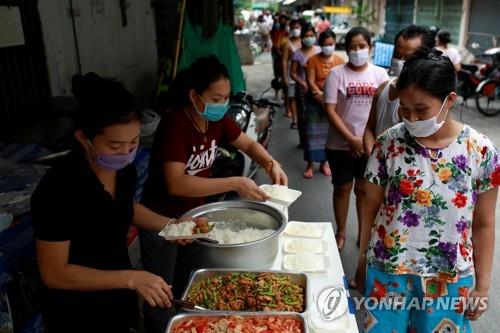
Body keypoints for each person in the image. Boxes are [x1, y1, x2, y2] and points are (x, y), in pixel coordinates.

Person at [30, 73, 194, 332]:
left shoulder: (125, 170)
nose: (127, 152)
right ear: (84, 138)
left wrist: (173, 226)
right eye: (115, 145)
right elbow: (54, 274)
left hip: (118, 300)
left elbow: (124, 209)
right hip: (76, 312)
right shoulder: (58, 189)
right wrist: (131, 278)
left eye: (134, 141)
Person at [139, 55, 288, 333]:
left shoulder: (216, 121)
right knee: (161, 291)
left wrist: (271, 163)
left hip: (192, 218)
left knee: (189, 280)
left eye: (226, 97)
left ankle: (188, 323)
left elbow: (248, 144)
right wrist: (233, 183)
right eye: (216, 98)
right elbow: (177, 183)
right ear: (195, 95)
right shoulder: (176, 124)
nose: (222, 104)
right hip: (160, 221)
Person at [356, 47, 498, 332]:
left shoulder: (480, 150)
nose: (412, 118)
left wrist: (482, 286)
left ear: (449, 101)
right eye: (405, 109)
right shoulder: (388, 144)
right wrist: (362, 262)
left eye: (421, 110)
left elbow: (483, 223)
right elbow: (368, 207)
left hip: (450, 276)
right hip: (388, 271)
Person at [323, 27, 389, 250]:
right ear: (347, 49)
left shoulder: (380, 75)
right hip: (340, 144)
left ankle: (363, 235)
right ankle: (340, 231)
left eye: (361, 46)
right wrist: (351, 138)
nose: (357, 51)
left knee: (364, 190)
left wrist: (365, 141)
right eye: (352, 47)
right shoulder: (336, 74)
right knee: (342, 188)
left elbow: (383, 111)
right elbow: (330, 110)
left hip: (370, 145)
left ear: (370, 48)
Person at [363, 25, 435, 155]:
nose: (400, 62)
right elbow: (369, 128)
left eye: (408, 58)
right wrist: (373, 159)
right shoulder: (383, 88)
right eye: (397, 55)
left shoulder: (427, 99)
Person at [303, 30, 344, 179]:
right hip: (314, 100)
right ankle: (309, 165)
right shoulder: (312, 60)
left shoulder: (340, 61)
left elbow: (341, 83)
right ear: (320, 45)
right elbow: (310, 81)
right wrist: (320, 95)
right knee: (312, 133)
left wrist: (327, 97)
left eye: (331, 44)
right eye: (325, 44)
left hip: (332, 102)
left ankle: (324, 164)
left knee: (328, 134)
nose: (328, 47)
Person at [290, 24, 321, 145]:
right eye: (306, 36)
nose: (309, 38)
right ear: (302, 37)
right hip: (302, 90)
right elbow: (292, 73)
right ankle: (303, 141)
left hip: (317, 88)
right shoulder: (297, 54)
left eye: (311, 35)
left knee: (316, 116)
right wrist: (302, 83)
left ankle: (316, 141)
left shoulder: (319, 50)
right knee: (302, 115)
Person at [281, 19, 302, 120]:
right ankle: (294, 118)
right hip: (291, 74)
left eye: (297, 28)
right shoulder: (287, 44)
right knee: (292, 97)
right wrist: (285, 76)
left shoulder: (304, 42)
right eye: (293, 28)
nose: (295, 30)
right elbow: (284, 61)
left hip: (302, 74)